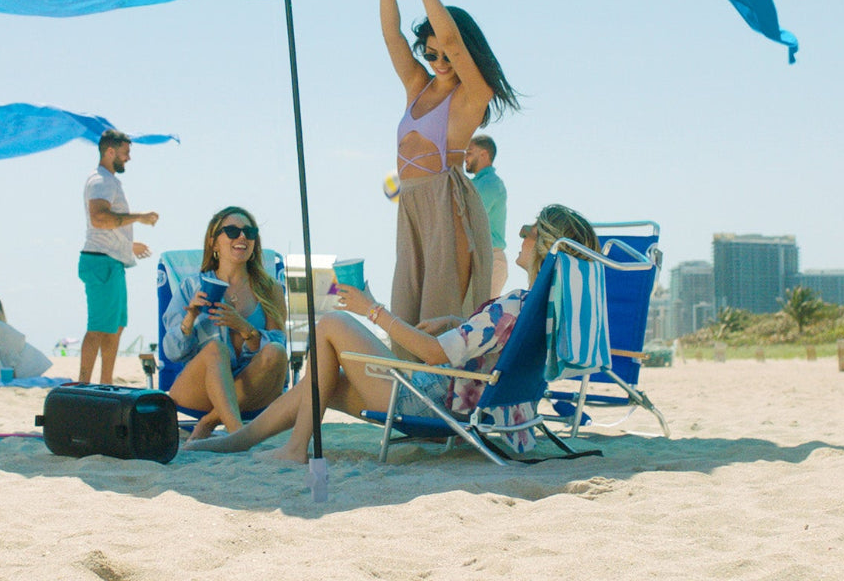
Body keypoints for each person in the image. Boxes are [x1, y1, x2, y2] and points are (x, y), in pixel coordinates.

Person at [187, 204, 598, 462]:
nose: (521, 235)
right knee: (324, 381)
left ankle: (294, 449)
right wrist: (457, 323)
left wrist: (373, 311)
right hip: (463, 405)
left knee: (330, 324)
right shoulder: (541, 308)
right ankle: (239, 441)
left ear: (543, 244)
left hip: (429, 402)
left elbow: (436, 355)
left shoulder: (515, 304)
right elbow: (491, 353)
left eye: (529, 229)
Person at [371, 0, 518, 352]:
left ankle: (445, 408)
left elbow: (453, 41)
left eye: (447, 55)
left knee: (439, 314)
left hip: (444, 201)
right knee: (407, 311)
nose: (439, 60)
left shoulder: (473, 95)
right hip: (411, 205)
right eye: (430, 53)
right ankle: (414, 408)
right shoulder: (418, 87)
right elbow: (391, 36)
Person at [162, 207, 288, 439]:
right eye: (232, 231)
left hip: (252, 389)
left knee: (277, 352)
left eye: (249, 232)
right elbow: (171, 353)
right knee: (214, 350)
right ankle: (237, 434)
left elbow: (279, 349)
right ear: (214, 243)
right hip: (198, 390)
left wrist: (245, 328)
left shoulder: (270, 289)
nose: (242, 237)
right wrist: (190, 318)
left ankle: (210, 422)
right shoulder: (191, 287)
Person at [79, 129, 159, 384]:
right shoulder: (100, 181)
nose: (128, 158)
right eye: (125, 153)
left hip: (111, 260)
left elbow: (104, 225)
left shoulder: (108, 181)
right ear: (110, 152)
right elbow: (99, 218)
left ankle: (105, 383)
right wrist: (140, 217)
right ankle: (83, 385)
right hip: (101, 262)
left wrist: (127, 245)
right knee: (99, 328)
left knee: (115, 327)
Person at [464, 135, 509, 295]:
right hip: (476, 259)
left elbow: (467, 216)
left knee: (479, 317)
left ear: (483, 154)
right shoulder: (474, 183)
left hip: (489, 259)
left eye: (469, 152)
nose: (465, 157)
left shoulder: (491, 183)